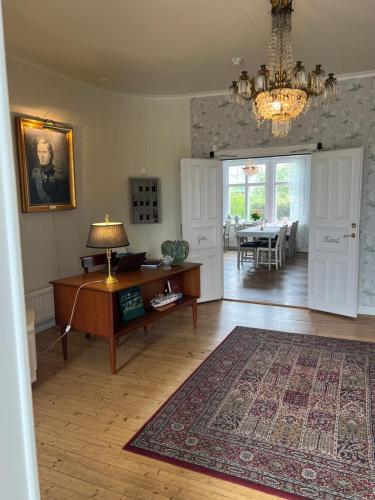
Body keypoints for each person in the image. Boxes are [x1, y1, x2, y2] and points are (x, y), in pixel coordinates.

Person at [29, 138, 70, 204]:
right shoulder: (35, 173)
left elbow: (63, 200)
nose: (41, 156)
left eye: (44, 152)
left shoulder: (59, 173)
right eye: (39, 152)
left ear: (51, 154)